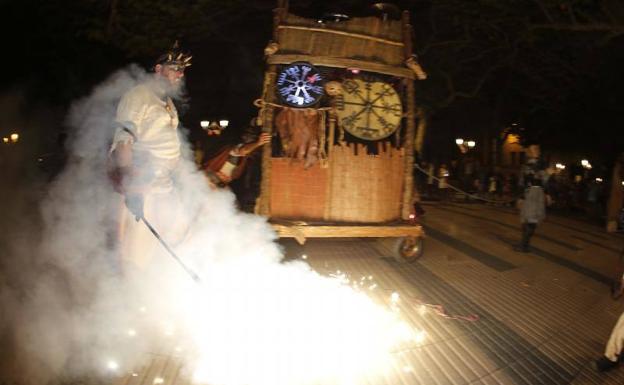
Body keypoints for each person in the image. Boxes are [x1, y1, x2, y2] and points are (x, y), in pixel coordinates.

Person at [107, 41, 192, 270]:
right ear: (158, 69)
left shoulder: (168, 103)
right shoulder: (138, 96)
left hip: (165, 184)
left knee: (180, 235)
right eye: (174, 68)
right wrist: (131, 187)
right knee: (137, 251)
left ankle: (159, 290)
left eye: (182, 70)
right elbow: (123, 140)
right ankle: (131, 293)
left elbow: (170, 143)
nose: (179, 74)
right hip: (143, 184)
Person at [203, 122, 271, 188]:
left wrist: (258, 143)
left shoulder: (218, 161)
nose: (223, 177)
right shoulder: (235, 175)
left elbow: (242, 151)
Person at [514, 174, 546, 252]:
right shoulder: (539, 191)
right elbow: (541, 204)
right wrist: (541, 215)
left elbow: (523, 202)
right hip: (533, 215)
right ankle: (524, 246)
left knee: (527, 230)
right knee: (529, 230)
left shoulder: (529, 190)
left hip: (528, 214)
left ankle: (523, 246)